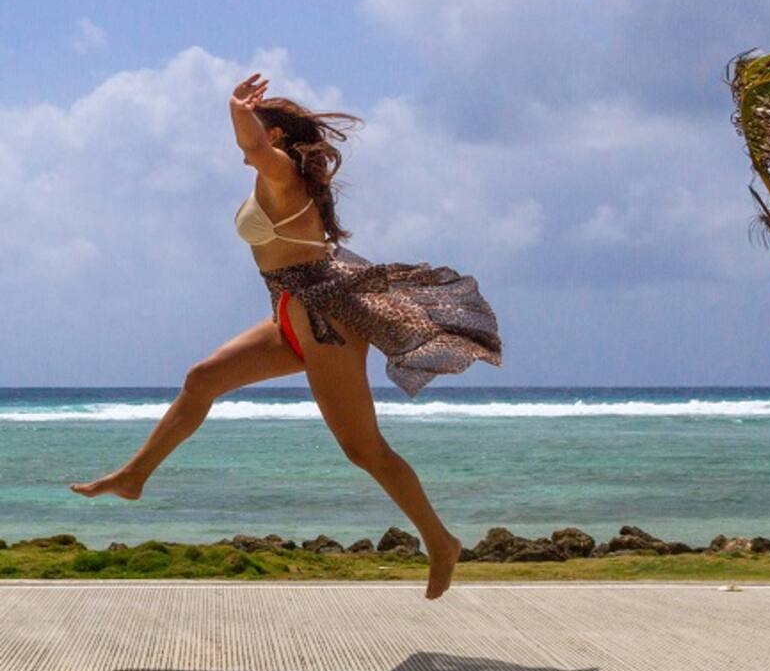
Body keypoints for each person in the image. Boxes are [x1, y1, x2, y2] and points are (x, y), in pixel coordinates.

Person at [69, 72, 502, 600]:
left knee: (364, 451)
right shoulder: (272, 179)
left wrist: (235, 110)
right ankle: (133, 477)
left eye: (257, 130)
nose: (246, 144)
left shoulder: (283, 176)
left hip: (324, 324)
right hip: (290, 315)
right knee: (201, 379)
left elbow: (250, 142)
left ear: (273, 137)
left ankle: (440, 542)